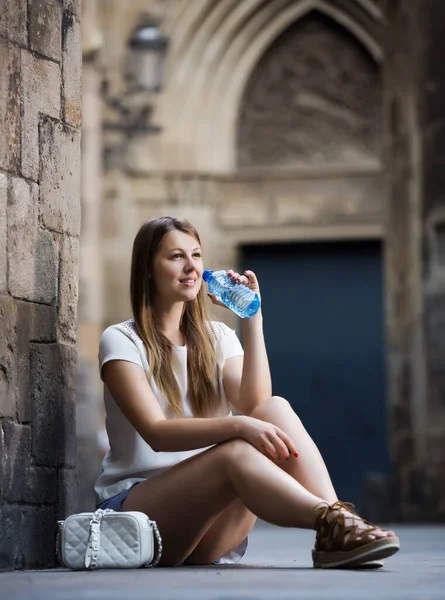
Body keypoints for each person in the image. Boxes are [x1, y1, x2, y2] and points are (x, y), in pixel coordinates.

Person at [94, 216, 400, 569]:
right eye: (176, 256)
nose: (191, 266)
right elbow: (156, 433)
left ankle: (336, 528)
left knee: (276, 408)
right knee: (235, 452)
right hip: (139, 515)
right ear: (148, 268)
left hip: (207, 528)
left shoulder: (217, 337)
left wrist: (252, 319)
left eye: (196, 254)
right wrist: (238, 427)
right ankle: (330, 521)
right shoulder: (121, 340)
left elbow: (256, 405)